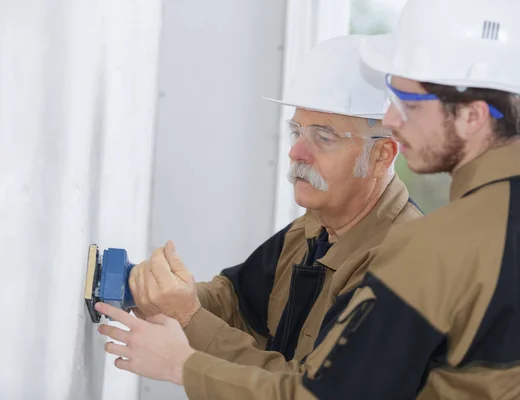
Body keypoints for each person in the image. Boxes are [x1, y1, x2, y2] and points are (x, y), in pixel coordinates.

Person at [99, 1, 520, 399]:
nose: (395, 122)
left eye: (408, 103)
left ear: (472, 116)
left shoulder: (430, 249)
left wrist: (182, 365)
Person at [97, 34, 422, 397]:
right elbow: (237, 304)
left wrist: (187, 325)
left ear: (382, 155)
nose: (296, 152)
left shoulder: (405, 266)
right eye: (297, 131)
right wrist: (171, 297)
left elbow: (314, 391)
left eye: (323, 137)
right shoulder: (312, 230)